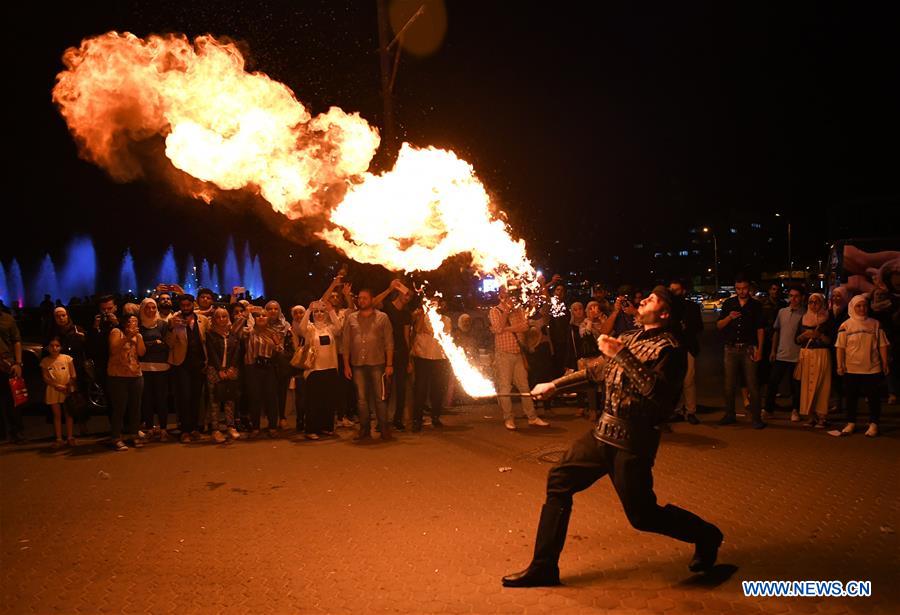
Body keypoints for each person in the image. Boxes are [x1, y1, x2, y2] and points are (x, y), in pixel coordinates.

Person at [503, 287, 722, 588]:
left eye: (652, 299)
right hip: (602, 433)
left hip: (633, 442)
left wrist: (621, 354)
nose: (643, 300)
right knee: (559, 481)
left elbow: (656, 394)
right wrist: (554, 384)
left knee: (643, 516)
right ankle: (544, 567)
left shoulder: (671, 350)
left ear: (665, 313)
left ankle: (707, 535)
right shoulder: (630, 338)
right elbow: (596, 371)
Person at [489, 286, 549, 430]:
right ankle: (509, 418)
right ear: (500, 296)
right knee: (505, 387)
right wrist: (506, 312)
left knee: (524, 386)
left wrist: (507, 329)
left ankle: (532, 417)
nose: (508, 296)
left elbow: (525, 327)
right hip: (503, 354)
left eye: (509, 293)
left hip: (518, 353)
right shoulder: (494, 311)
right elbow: (497, 329)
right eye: (504, 293)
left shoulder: (518, 310)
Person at [834, 294, 890, 437]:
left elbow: (882, 344)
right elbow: (840, 347)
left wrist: (884, 362)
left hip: (872, 367)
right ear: (853, 307)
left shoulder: (875, 324)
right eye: (858, 306)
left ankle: (874, 423)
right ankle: (851, 422)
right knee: (851, 396)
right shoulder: (845, 325)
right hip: (851, 367)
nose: (862, 308)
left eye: (864, 305)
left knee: (873, 397)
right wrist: (839, 365)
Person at [343, 289, 394, 442]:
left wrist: (389, 364)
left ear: (372, 300)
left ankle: (384, 429)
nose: (362, 301)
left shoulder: (382, 318)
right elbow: (346, 344)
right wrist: (346, 365)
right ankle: (364, 430)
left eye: (365, 298)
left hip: (377, 363)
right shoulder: (351, 318)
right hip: (357, 364)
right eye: (360, 298)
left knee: (380, 398)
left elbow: (389, 342)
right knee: (361, 399)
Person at [717, 276, 766, 428]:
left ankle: (756, 418)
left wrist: (760, 349)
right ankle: (730, 414)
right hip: (730, 348)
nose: (741, 291)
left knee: (752, 384)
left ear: (749, 288)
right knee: (729, 384)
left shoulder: (756, 305)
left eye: (744, 288)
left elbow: (760, 329)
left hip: (748, 348)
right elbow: (719, 325)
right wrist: (729, 318)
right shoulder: (729, 303)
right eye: (738, 288)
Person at [295, 301, 341, 439]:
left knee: (328, 400)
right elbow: (301, 328)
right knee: (313, 401)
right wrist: (308, 310)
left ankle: (326, 427)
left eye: (322, 312)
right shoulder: (310, 329)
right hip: (315, 370)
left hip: (330, 368)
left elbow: (339, 328)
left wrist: (331, 310)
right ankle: (311, 429)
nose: (319, 314)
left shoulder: (330, 328)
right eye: (317, 312)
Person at [166, 294, 208, 443]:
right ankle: (185, 430)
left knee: (196, 397)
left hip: (199, 363)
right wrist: (172, 328)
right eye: (182, 306)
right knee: (185, 397)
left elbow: (206, 341)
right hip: (181, 364)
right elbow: (169, 344)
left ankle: (195, 428)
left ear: (192, 305)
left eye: (188, 305)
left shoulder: (202, 320)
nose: (185, 308)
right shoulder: (174, 320)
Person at [374, 279, 413, 432]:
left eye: (410, 296)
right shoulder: (388, 307)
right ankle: (382, 421)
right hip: (385, 352)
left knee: (401, 389)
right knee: (385, 389)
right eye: (406, 293)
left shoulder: (406, 314)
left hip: (401, 353)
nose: (407, 297)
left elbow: (406, 337)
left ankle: (397, 420)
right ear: (400, 291)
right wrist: (389, 289)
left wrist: (409, 360)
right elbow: (373, 302)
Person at [794, 293, 836, 427]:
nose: (813, 305)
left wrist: (819, 335)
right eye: (811, 302)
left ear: (822, 303)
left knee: (823, 385)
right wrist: (804, 336)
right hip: (807, 354)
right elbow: (796, 340)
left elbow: (832, 341)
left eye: (817, 302)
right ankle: (810, 415)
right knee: (806, 385)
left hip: (822, 354)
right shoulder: (803, 319)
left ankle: (822, 416)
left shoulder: (828, 319)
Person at [410, 303, 452, 431]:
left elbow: (443, 334)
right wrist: (423, 314)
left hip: (439, 358)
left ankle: (435, 417)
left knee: (437, 389)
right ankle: (417, 419)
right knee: (420, 390)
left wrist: (428, 330)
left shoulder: (446, 319)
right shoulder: (422, 317)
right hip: (422, 357)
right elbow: (417, 329)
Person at [764, 286, 804, 421]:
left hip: (797, 355)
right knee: (773, 382)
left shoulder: (805, 314)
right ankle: (768, 409)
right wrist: (773, 350)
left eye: (796, 296)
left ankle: (795, 410)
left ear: (801, 298)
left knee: (796, 386)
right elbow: (777, 331)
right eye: (791, 296)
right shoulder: (782, 312)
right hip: (781, 353)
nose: (793, 299)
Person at [107, 315, 146, 451]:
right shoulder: (117, 332)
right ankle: (116, 437)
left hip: (136, 374)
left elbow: (141, 352)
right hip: (118, 375)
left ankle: (134, 434)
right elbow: (114, 349)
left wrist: (138, 337)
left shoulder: (138, 335)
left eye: (135, 321)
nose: (132, 323)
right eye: (129, 321)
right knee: (120, 407)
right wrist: (128, 337)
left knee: (135, 406)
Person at [244, 306, 284, 438]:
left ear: (268, 318)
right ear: (254, 318)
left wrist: (277, 346)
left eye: (264, 315)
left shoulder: (272, 332)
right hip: (253, 367)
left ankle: (272, 426)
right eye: (258, 315)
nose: (261, 317)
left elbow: (280, 349)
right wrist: (246, 313)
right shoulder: (249, 331)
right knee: (254, 397)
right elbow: (235, 330)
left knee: (271, 397)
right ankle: (255, 427)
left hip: (268, 367)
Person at [205, 307, 242, 442]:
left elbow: (237, 352)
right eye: (218, 317)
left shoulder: (233, 334)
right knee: (214, 400)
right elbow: (211, 353)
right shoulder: (210, 334)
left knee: (230, 398)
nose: (221, 319)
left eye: (224, 316)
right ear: (214, 319)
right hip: (214, 370)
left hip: (231, 369)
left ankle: (230, 427)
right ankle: (215, 430)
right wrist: (220, 369)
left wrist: (231, 367)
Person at [669, 279, 703, 425]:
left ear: (683, 291)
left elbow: (699, 327)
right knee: (674, 381)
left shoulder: (692, 307)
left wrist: (686, 327)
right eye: (671, 290)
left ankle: (690, 411)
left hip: (688, 346)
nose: (673, 293)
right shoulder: (668, 308)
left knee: (688, 380)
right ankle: (676, 410)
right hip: (672, 348)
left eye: (676, 290)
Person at [138, 298, 171, 439]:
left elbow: (167, 344)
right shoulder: (139, 325)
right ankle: (150, 427)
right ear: (142, 309)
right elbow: (139, 348)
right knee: (147, 399)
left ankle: (163, 428)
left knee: (162, 399)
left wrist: (148, 345)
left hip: (161, 367)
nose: (151, 310)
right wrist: (154, 343)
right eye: (147, 308)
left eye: (153, 307)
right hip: (144, 367)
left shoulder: (162, 325)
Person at [41, 338, 77, 449]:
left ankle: (70, 437)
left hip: (66, 389)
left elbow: (73, 375)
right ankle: (59, 439)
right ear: (48, 348)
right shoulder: (45, 361)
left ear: (60, 347)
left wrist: (67, 385)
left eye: (57, 345)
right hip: (53, 389)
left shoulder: (67, 358)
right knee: (56, 415)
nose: (54, 348)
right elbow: (45, 377)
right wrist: (56, 385)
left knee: (68, 414)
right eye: (52, 346)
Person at [0, 304, 24, 443]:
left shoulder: (7, 319)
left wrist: (18, 363)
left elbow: (16, 341)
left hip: (8, 364)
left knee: (14, 400)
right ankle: (2, 433)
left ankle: (17, 431)